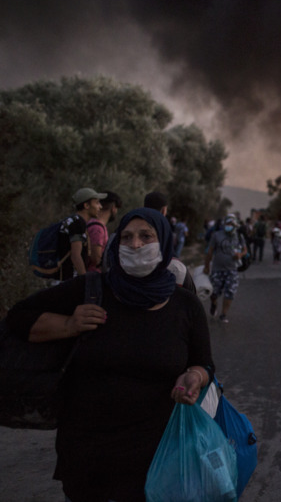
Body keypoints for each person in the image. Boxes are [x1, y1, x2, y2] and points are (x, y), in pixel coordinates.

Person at [6, 207, 214, 502]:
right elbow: (18, 317)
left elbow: (204, 362)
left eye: (146, 236)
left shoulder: (186, 306)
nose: (136, 244)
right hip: (86, 451)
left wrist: (194, 376)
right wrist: (68, 324)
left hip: (157, 453)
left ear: (164, 241)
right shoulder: (91, 290)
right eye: (126, 237)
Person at [204, 213, 247, 323]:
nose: (229, 225)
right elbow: (210, 252)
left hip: (232, 270)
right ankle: (214, 304)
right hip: (217, 269)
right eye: (227, 223)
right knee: (214, 293)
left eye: (231, 223)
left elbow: (245, 250)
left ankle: (223, 314)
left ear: (235, 225)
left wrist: (240, 255)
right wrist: (207, 266)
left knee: (230, 292)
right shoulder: (216, 235)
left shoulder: (239, 236)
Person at [57, 187, 107, 281]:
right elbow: (76, 255)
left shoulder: (73, 220)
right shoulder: (78, 223)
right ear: (86, 205)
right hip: (67, 279)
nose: (100, 206)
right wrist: (84, 280)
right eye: (96, 203)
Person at [86, 190, 122, 272]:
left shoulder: (91, 223)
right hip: (92, 277)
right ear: (113, 208)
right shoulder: (97, 229)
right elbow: (96, 259)